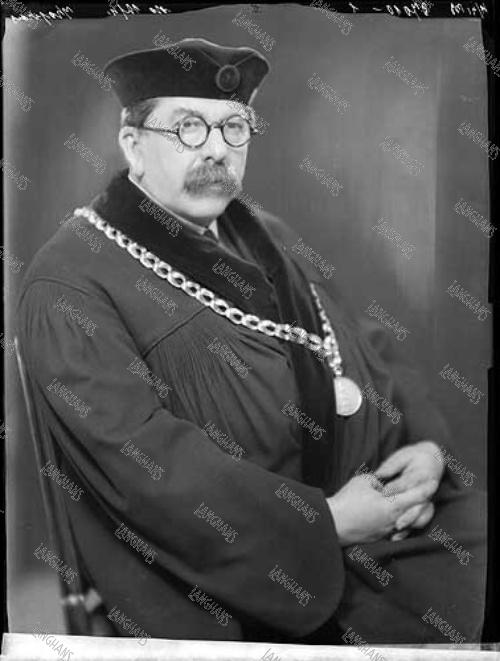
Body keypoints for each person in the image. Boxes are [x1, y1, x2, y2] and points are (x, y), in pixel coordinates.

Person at [16, 38, 485, 645]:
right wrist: (326, 523)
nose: (216, 149)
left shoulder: (268, 236)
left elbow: (370, 351)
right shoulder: (70, 282)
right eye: (188, 128)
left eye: (234, 127)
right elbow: (147, 467)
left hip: (370, 527)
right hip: (231, 583)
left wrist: (424, 453)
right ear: (132, 144)